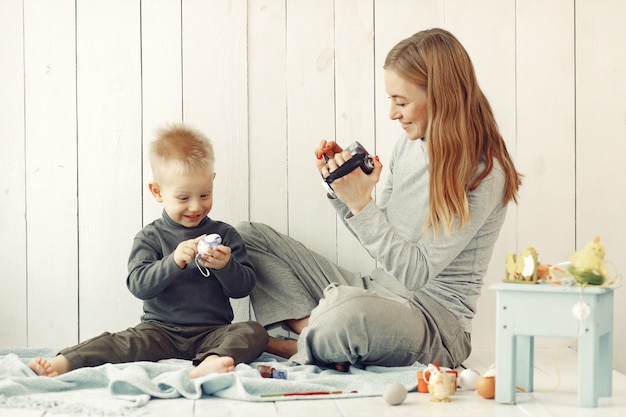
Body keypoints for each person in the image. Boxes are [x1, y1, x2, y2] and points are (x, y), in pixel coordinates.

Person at [236, 28, 522, 370]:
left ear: (442, 96)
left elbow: (415, 274)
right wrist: (347, 191)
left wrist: (362, 205)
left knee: (345, 311)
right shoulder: (408, 145)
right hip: (376, 291)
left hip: (431, 321)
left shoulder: (483, 172)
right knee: (247, 236)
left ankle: (300, 337)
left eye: (401, 102)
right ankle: (313, 332)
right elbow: (381, 243)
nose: (392, 113)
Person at [29, 124, 268, 379]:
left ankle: (212, 361)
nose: (196, 206)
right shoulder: (150, 236)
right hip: (159, 332)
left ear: (212, 181)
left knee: (254, 332)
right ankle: (64, 362)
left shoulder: (226, 235)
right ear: (157, 192)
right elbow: (138, 285)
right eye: (184, 198)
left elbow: (242, 288)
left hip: (213, 332)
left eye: (204, 194)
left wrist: (225, 266)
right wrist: (173, 261)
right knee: (118, 341)